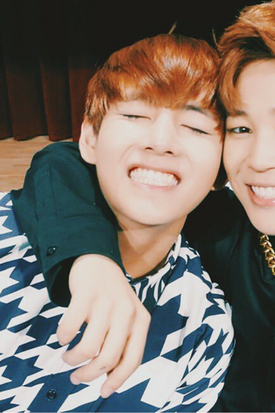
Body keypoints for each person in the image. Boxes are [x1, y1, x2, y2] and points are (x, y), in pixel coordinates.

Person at [11, 0, 275, 411]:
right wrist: (92, 262)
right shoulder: (219, 227)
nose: (259, 159)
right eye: (241, 128)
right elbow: (65, 162)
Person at [0, 33, 234, 412]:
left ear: (222, 168)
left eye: (196, 127)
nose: (161, 141)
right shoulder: (7, 244)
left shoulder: (203, 330)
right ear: (89, 139)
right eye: (135, 116)